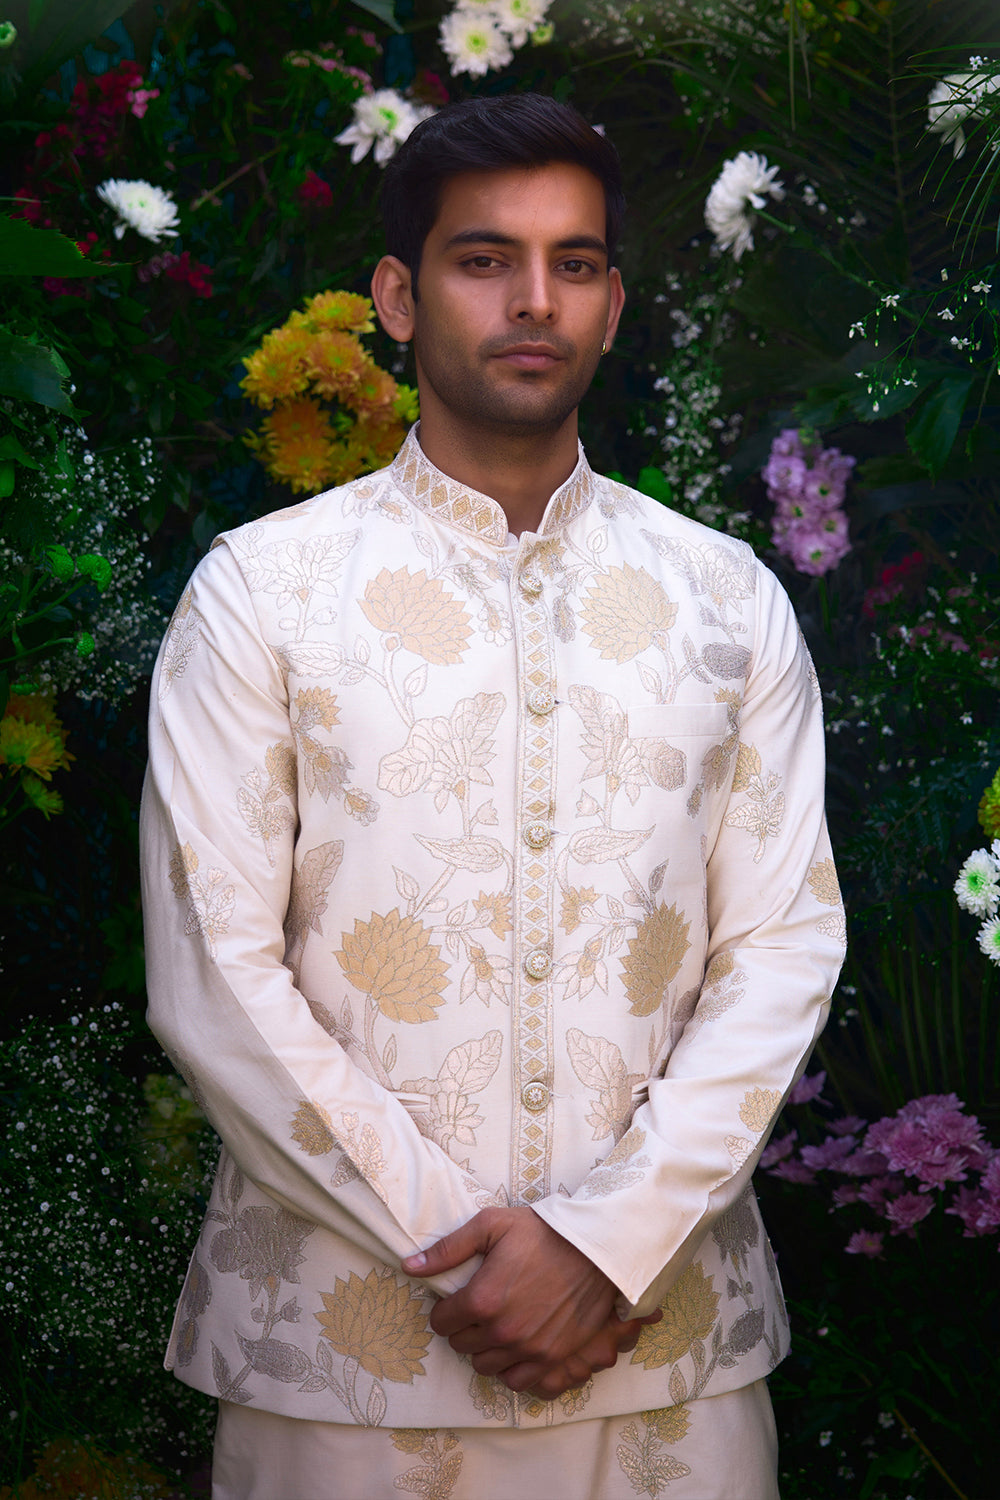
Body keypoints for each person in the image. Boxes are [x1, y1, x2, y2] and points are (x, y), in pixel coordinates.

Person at [140, 93, 846, 1500]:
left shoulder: (725, 602)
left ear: (614, 299)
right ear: (398, 298)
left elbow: (781, 950)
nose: (535, 299)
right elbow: (215, 974)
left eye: (574, 262)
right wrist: (475, 1252)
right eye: (483, 259)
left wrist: (602, 1244)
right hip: (341, 1375)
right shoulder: (261, 596)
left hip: (666, 1367)